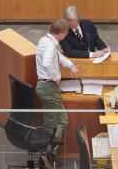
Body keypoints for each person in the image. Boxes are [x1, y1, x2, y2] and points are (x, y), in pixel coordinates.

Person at [36, 18, 78, 158]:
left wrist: (70, 64)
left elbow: (57, 56)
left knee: (59, 120)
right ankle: (48, 152)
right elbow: (47, 62)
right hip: (49, 88)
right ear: (62, 33)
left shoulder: (45, 40)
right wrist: (56, 77)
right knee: (55, 122)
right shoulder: (49, 46)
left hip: (46, 87)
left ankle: (48, 150)